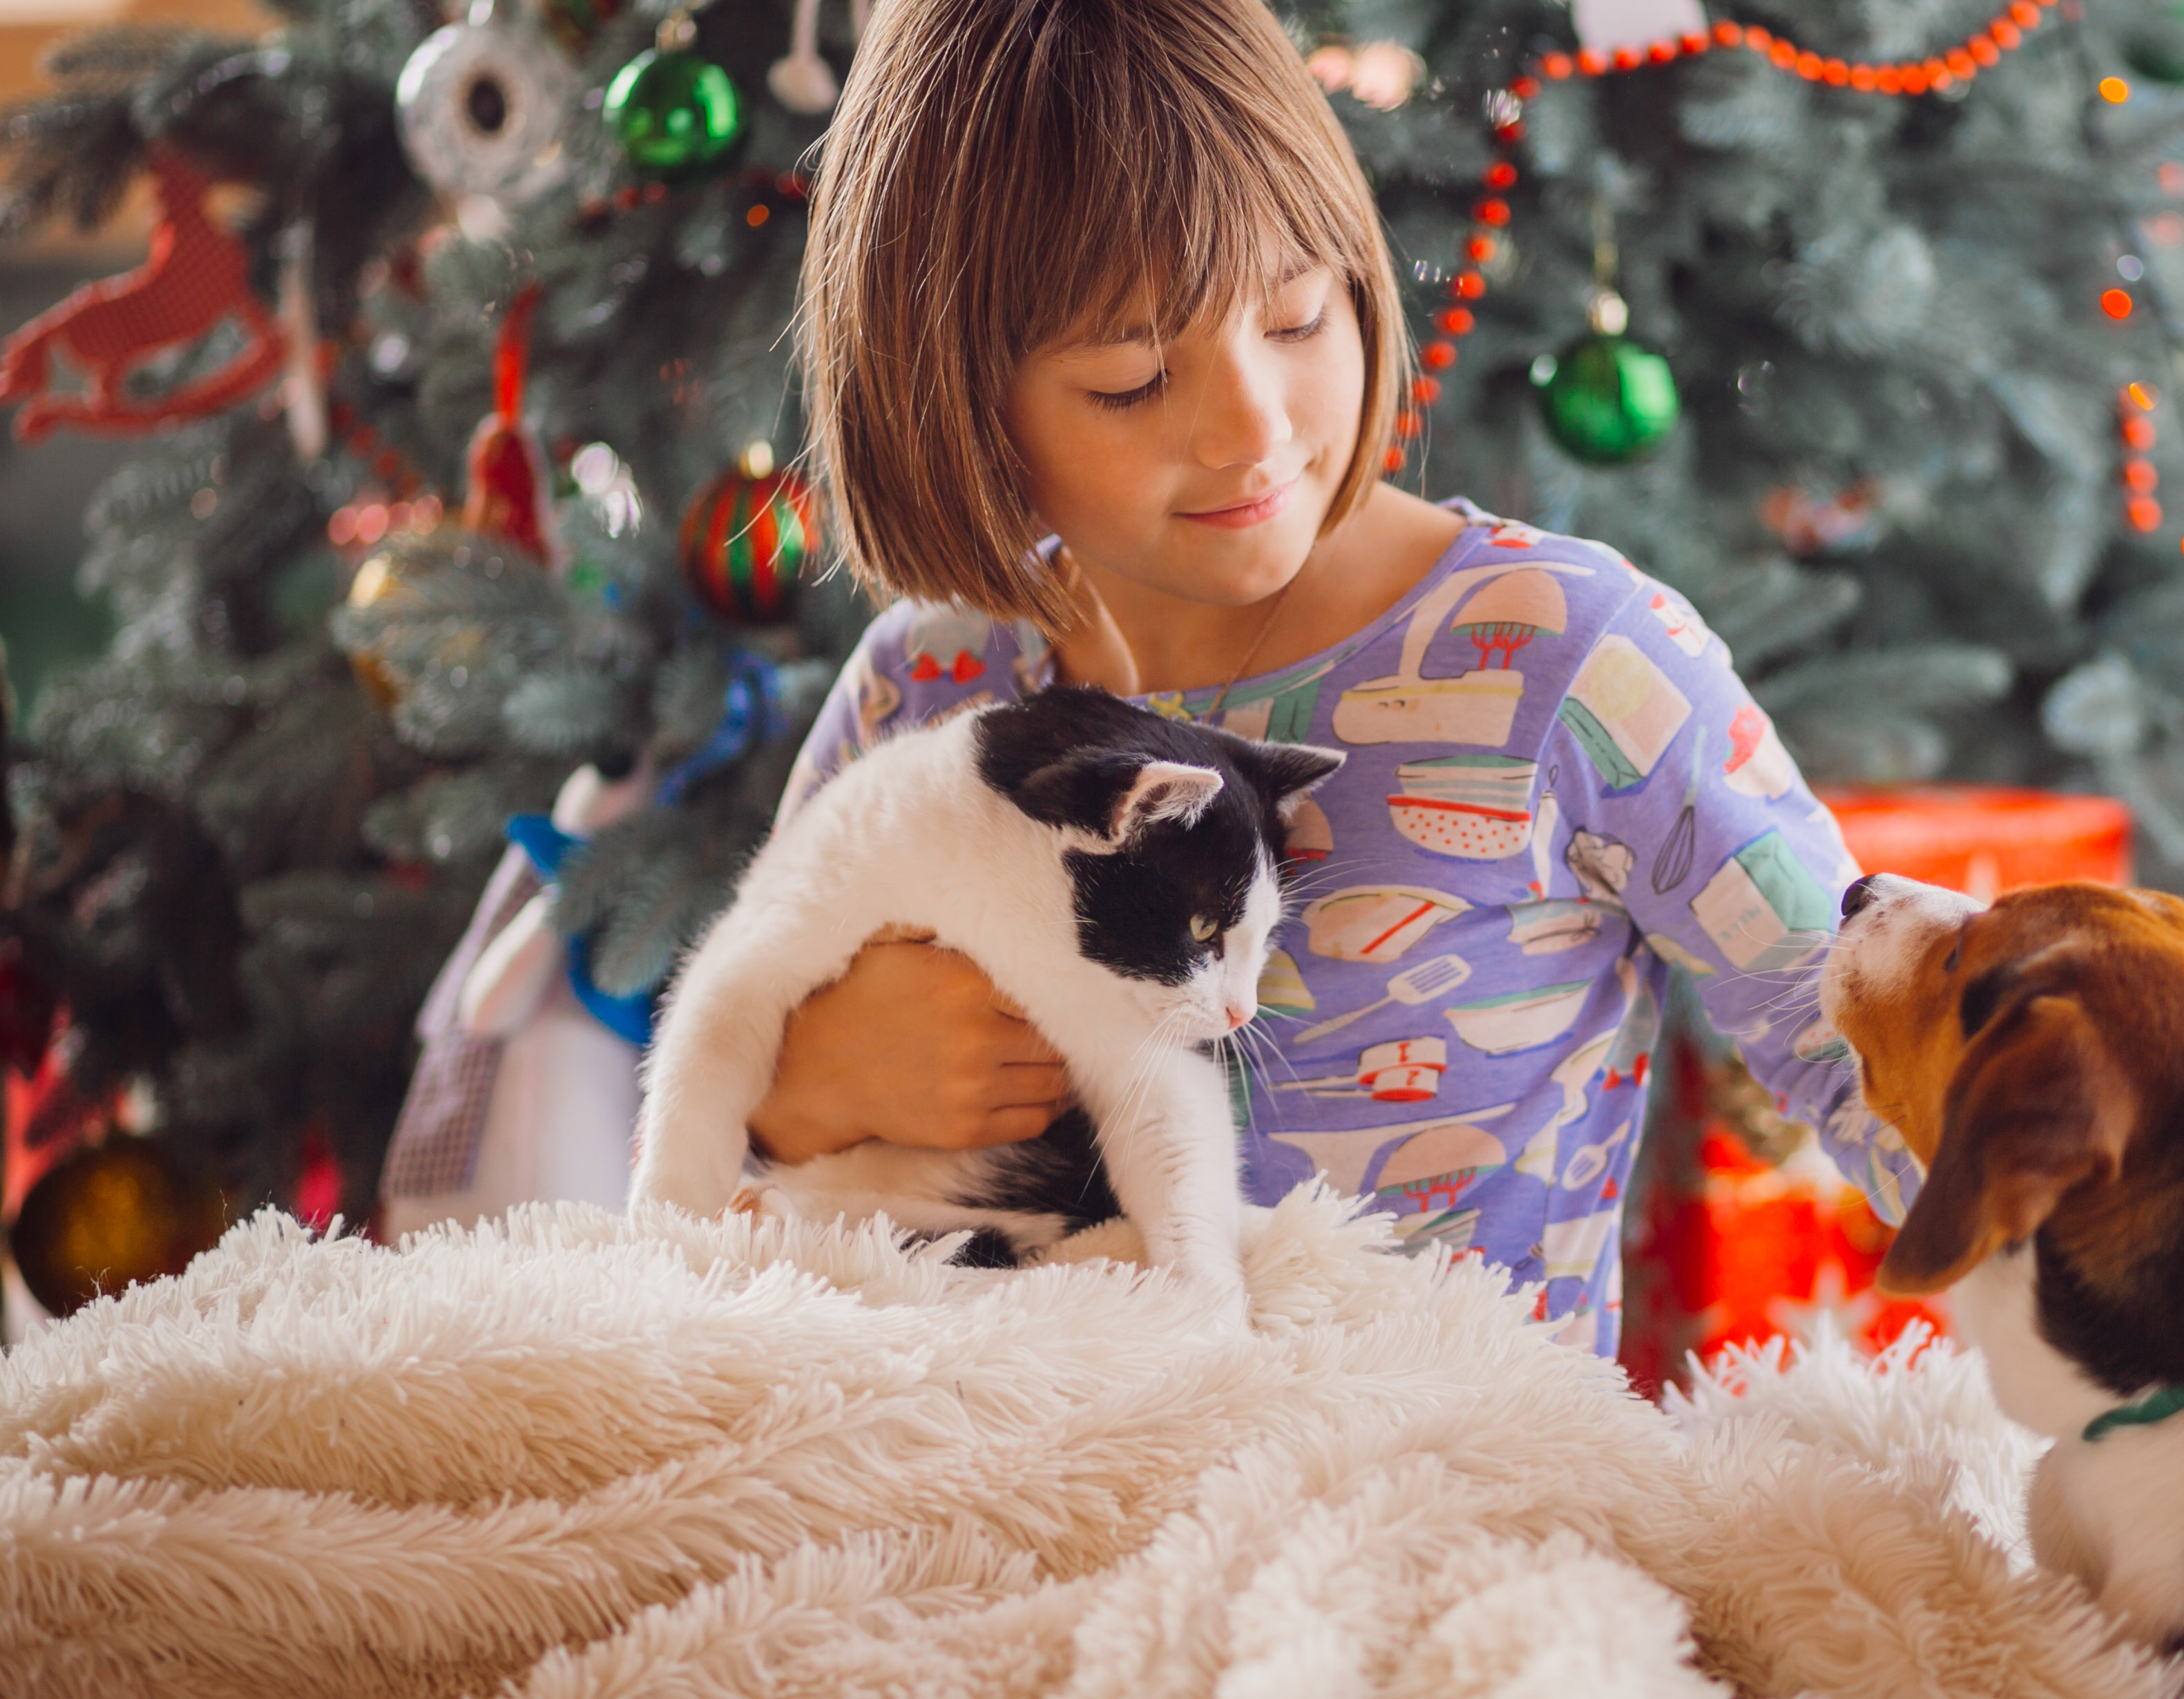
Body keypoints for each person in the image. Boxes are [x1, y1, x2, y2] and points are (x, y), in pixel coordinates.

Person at [762, 0, 1915, 1357]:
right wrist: (802, 1088)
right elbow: (724, 1228)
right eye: (1133, 380)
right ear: (958, 399)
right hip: (1020, 1508)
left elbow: (1867, 1049)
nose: (1255, 428)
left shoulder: (1570, 658)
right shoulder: (925, 685)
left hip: (1446, 1511)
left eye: (1300, 318)